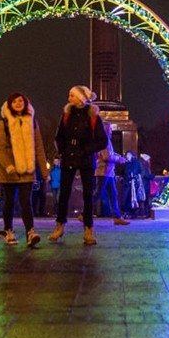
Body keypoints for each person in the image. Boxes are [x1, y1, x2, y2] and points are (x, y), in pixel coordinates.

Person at [49, 85, 107, 245]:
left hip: (86, 158)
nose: (69, 98)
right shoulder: (67, 115)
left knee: (88, 194)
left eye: (72, 95)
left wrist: (86, 150)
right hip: (68, 156)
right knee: (64, 193)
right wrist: (63, 151)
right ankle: (60, 225)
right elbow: (59, 136)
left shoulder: (93, 116)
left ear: (81, 97)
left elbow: (103, 141)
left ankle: (88, 228)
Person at [0, 93, 49, 247]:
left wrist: (45, 172)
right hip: (8, 171)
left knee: (26, 202)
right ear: (9, 104)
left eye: (21, 101)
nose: (18, 103)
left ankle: (30, 232)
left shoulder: (32, 123)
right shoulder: (4, 123)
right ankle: (8, 230)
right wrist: (8, 165)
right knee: (9, 202)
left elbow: (39, 148)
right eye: (15, 101)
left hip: (27, 170)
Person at [94, 122, 128, 225]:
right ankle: (84, 213)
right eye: (109, 129)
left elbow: (110, 154)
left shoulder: (106, 140)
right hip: (103, 172)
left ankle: (117, 217)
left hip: (108, 173)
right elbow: (107, 157)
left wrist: (119, 157)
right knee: (98, 193)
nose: (111, 131)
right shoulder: (104, 141)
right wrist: (120, 159)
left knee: (113, 194)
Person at [122, 151, 144, 218]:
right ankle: (126, 212)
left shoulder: (137, 163)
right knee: (125, 198)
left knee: (134, 198)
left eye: (128, 155)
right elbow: (122, 172)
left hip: (134, 183)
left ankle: (134, 213)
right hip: (127, 183)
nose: (127, 156)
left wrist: (137, 177)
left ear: (132, 155)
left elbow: (142, 171)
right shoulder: (125, 163)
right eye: (126, 155)